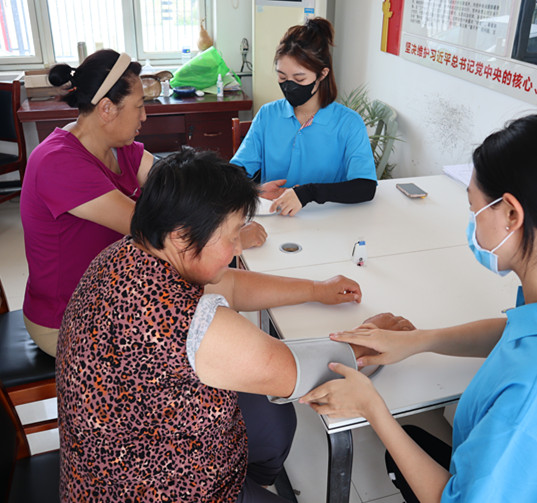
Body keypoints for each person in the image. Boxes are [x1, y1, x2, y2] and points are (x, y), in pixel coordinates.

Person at [301, 114, 537, 502]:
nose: (472, 223)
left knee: (402, 445)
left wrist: (372, 408)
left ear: (512, 214)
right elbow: (519, 335)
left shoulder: (535, 396)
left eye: (475, 209)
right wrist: (419, 341)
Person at [56, 148, 363, 502]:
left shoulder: (130, 253)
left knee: (274, 421)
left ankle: (250, 480)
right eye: (232, 236)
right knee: (274, 410)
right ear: (181, 236)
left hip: (126, 447)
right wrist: (368, 340)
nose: (237, 249)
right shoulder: (180, 320)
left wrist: (315, 289)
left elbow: (229, 285)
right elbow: (292, 372)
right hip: (145, 489)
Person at [20, 50, 265, 357]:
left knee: (215, 297)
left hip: (117, 294)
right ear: (107, 109)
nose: (144, 116)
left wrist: (244, 191)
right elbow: (151, 230)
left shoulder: (119, 148)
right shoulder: (58, 163)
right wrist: (233, 237)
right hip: (69, 319)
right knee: (205, 337)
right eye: (138, 106)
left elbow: (180, 185)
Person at [230, 17, 377, 216]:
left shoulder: (349, 123)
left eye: (299, 79)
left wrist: (308, 193)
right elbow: (237, 170)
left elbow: (366, 187)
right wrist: (254, 190)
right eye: (282, 77)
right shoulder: (267, 115)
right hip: (274, 217)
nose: (288, 86)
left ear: (322, 74)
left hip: (328, 220)